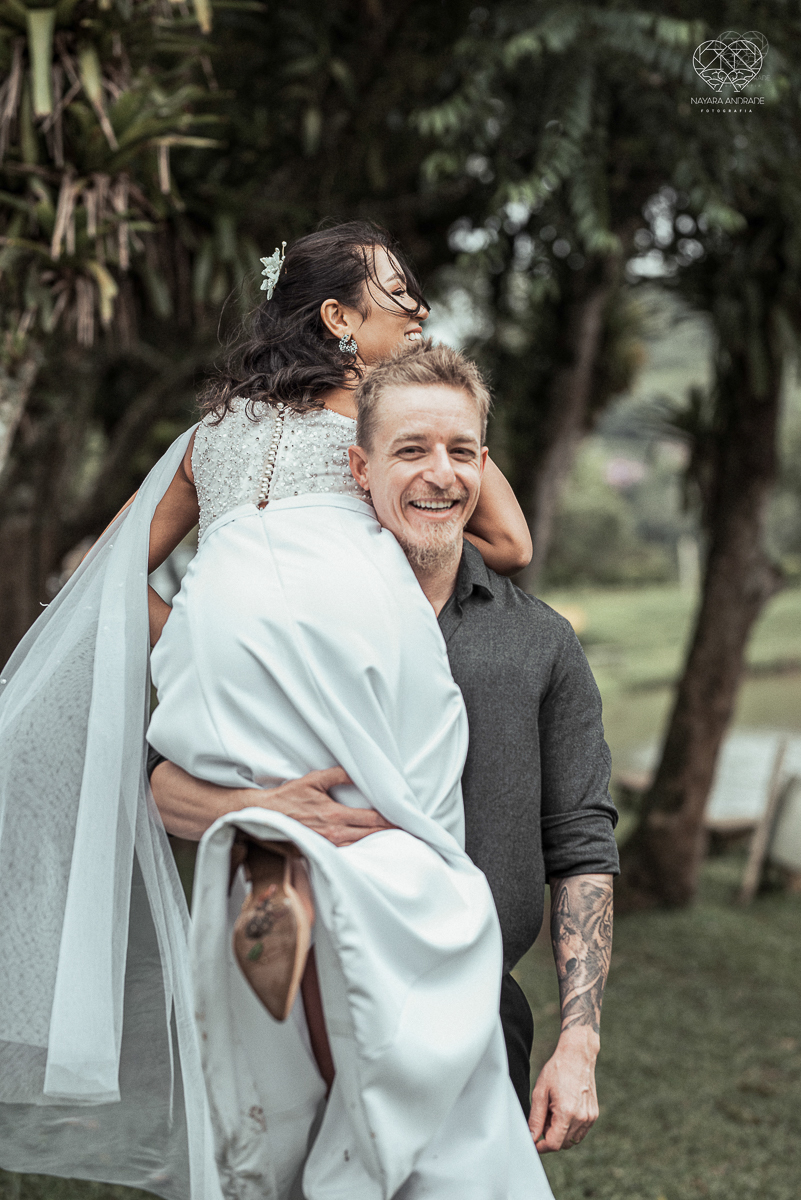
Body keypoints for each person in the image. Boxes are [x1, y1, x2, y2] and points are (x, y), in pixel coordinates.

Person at [141, 231, 556, 1197]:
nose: (419, 316)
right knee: (404, 850)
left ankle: (289, 987)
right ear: (340, 321)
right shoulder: (377, 427)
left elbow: (122, 568)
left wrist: (183, 642)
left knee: (278, 818)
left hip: (238, 691)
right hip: (359, 666)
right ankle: (389, 1106)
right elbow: (510, 540)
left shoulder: (213, 433)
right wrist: (439, 433)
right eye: (402, 300)